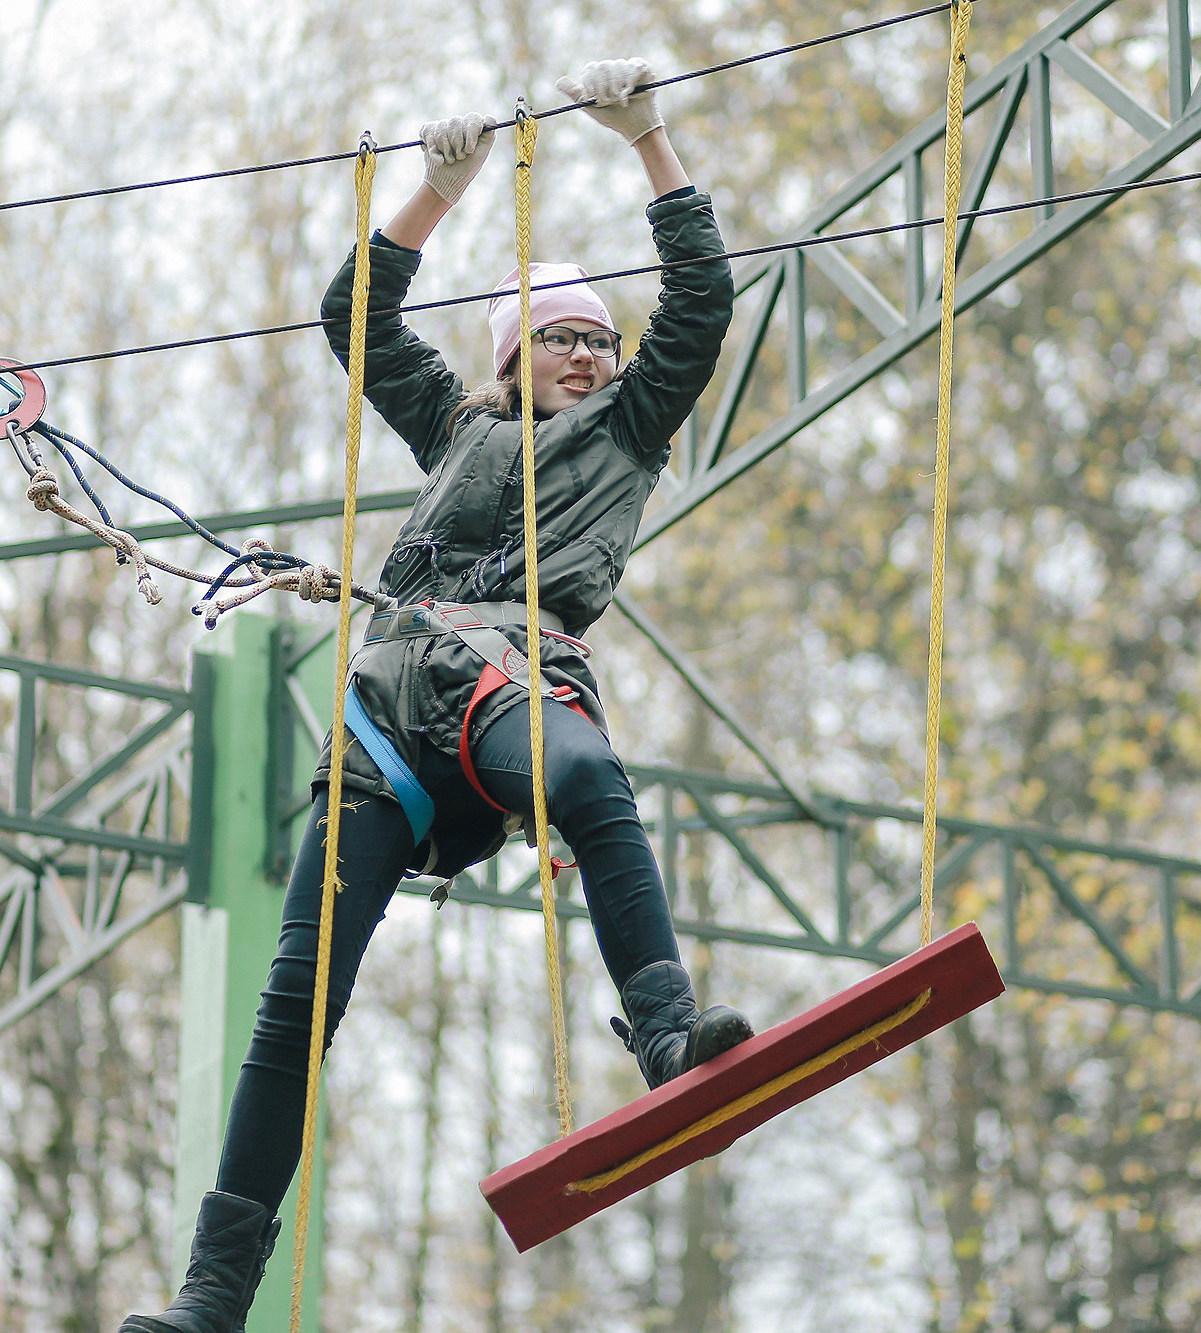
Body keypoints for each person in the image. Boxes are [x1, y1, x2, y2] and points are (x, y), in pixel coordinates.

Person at [120, 58, 750, 1333]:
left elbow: (700, 304)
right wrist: (435, 194)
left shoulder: (627, 429)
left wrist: (650, 144)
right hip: (386, 713)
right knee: (295, 1004)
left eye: (599, 341)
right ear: (514, 356)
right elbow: (354, 315)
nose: (588, 355)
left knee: (585, 776)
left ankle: (663, 1027)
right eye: (562, 338)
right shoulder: (455, 427)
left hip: (512, 677)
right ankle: (214, 1291)